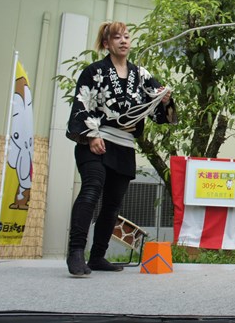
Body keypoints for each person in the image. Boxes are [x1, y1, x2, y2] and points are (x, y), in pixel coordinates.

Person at [65, 21, 176, 277]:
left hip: (124, 145)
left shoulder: (142, 75)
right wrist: (91, 135)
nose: (124, 41)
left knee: (113, 204)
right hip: (97, 140)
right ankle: (75, 252)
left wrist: (165, 99)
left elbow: (160, 111)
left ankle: (97, 256)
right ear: (107, 44)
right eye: (117, 38)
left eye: (127, 36)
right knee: (92, 190)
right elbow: (83, 104)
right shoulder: (94, 71)